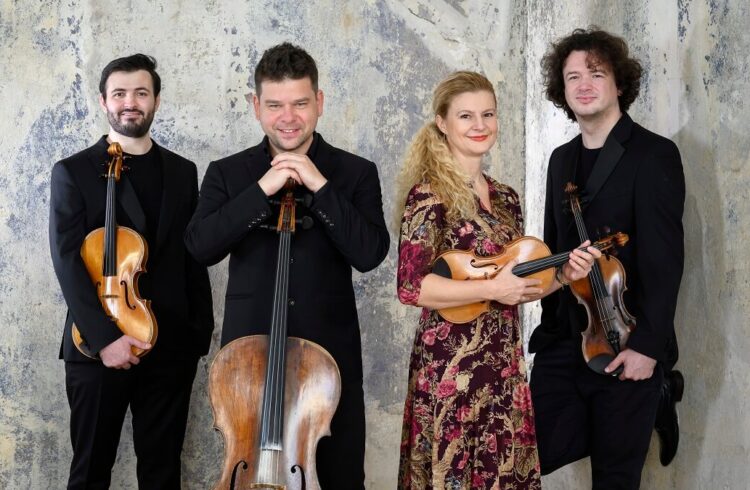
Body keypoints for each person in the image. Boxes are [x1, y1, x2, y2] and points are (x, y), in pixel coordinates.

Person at [184, 42, 389, 488]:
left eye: (300, 103)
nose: (288, 116)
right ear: (256, 107)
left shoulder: (355, 173)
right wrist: (262, 190)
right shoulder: (227, 173)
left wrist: (319, 184)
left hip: (328, 368)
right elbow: (200, 247)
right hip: (249, 371)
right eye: (275, 105)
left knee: (337, 475)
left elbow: (371, 253)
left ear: (319, 102)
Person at [395, 70, 598, 489]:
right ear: (442, 122)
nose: (479, 126)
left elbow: (521, 283)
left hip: (502, 365)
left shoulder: (506, 198)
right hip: (450, 367)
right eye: (466, 116)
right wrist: (492, 289)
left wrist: (563, 274)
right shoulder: (428, 195)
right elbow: (412, 287)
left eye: (488, 114)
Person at [528, 28, 685, 489]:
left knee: (615, 478)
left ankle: (657, 393)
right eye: (573, 76)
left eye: (596, 73)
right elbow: (553, 249)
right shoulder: (560, 161)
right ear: (562, 90)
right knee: (524, 455)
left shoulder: (654, 155)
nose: (584, 84)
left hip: (626, 339)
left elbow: (664, 259)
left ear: (619, 84)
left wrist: (648, 349)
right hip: (566, 339)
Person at [49, 54, 214, 489]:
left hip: (171, 345)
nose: (130, 102)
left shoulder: (182, 171)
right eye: (119, 93)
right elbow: (67, 261)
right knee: (90, 471)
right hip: (96, 345)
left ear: (156, 100)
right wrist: (105, 341)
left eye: (141, 93)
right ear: (104, 102)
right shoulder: (73, 171)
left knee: (162, 473)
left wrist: (199, 332)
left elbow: (191, 257)